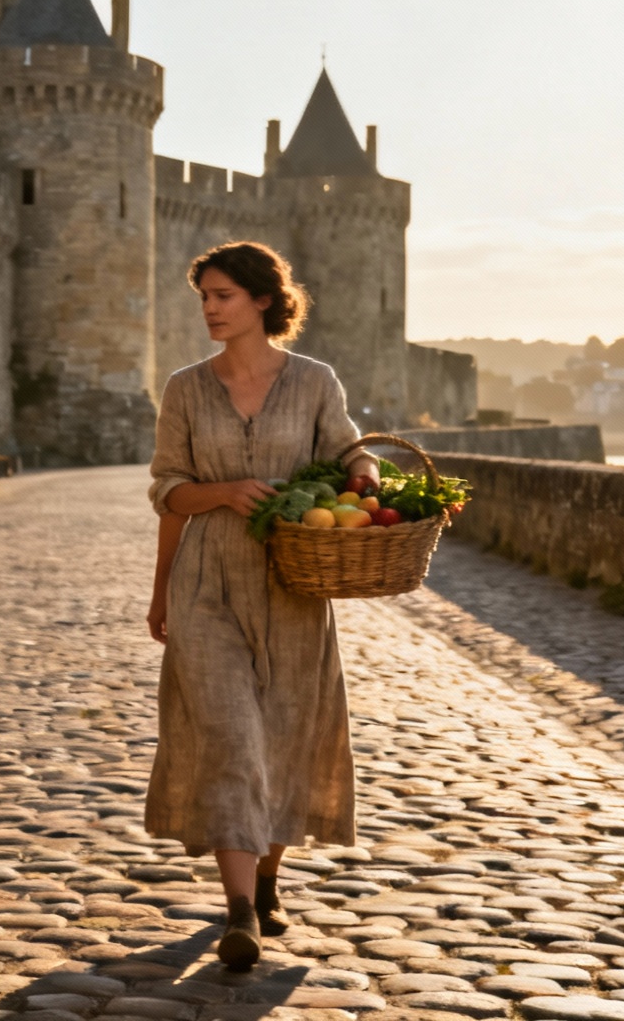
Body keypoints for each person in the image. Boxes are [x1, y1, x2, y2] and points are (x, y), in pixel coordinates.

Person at [143, 241, 379, 971]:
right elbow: (167, 491)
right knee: (230, 738)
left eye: (222, 296)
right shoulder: (185, 388)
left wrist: (367, 472)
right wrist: (164, 584)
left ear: (263, 302)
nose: (209, 310)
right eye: (204, 298)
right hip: (207, 580)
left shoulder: (314, 382)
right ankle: (239, 910)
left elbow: (348, 452)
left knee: (282, 737)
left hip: (294, 585)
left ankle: (270, 881)